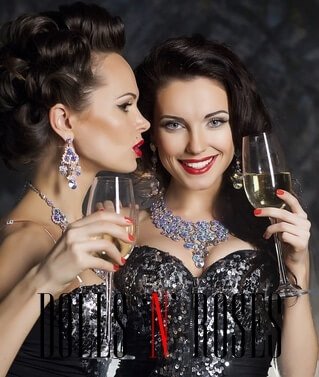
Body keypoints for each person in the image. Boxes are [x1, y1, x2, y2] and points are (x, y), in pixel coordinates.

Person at [111, 35, 318, 376]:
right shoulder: (124, 228)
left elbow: (299, 373)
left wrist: (298, 264)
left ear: (236, 127)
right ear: (150, 132)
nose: (196, 145)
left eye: (215, 121)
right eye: (174, 124)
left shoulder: (269, 228)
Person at [0, 1, 149, 376]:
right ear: (65, 120)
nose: (143, 122)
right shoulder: (28, 239)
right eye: (125, 106)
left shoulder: (76, 225)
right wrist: (43, 278)